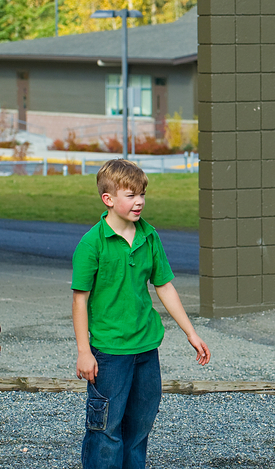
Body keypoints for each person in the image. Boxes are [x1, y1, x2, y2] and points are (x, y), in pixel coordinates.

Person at [72, 158, 211, 469]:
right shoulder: (91, 244)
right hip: (109, 353)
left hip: (147, 350)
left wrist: (191, 333)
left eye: (142, 194)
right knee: (105, 430)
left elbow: (164, 287)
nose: (139, 202)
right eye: (131, 195)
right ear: (108, 199)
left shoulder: (149, 236)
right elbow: (79, 301)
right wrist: (84, 351)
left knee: (139, 429)